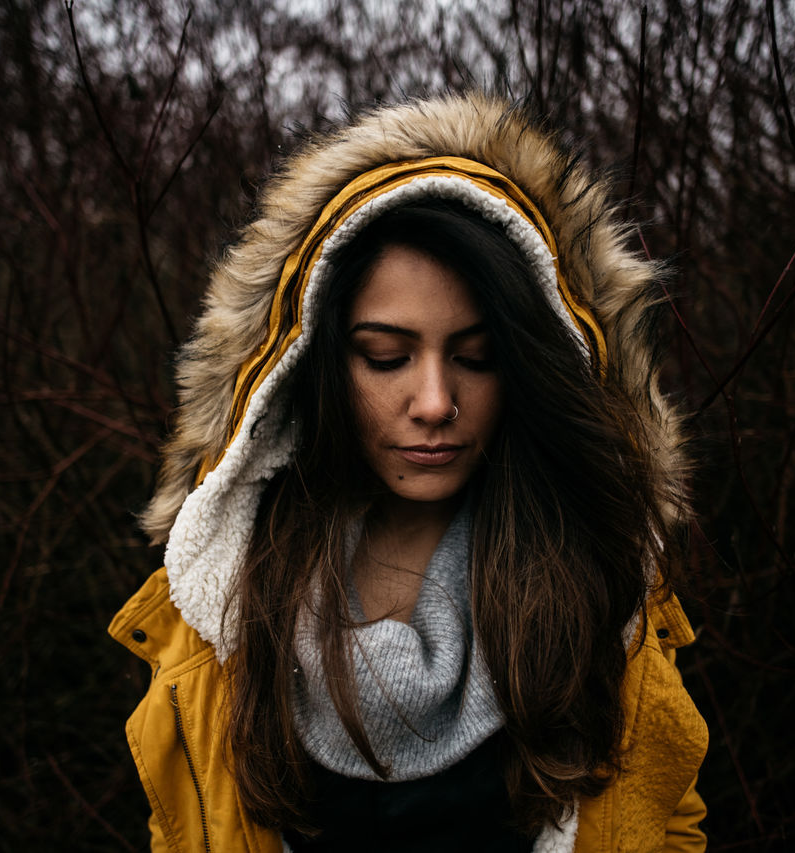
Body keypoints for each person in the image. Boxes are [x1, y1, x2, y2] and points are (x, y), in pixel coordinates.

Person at [109, 92, 708, 852]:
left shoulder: (599, 581)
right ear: (317, 365)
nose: (434, 403)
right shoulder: (232, 592)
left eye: (476, 357)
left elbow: (667, 823)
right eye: (386, 357)